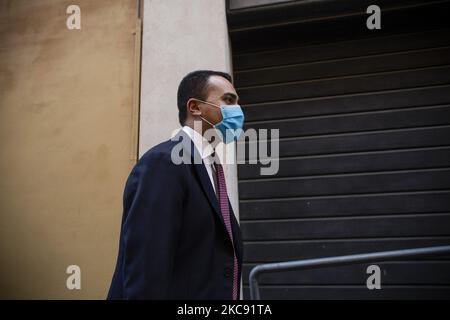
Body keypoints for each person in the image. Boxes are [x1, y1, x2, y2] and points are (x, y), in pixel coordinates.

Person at [107, 70, 245, 299]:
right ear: (195, 107)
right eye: (228, 100)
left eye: (237, 102)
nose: (237, 110)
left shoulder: (209, 165)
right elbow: (147, 265)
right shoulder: (164, 162)